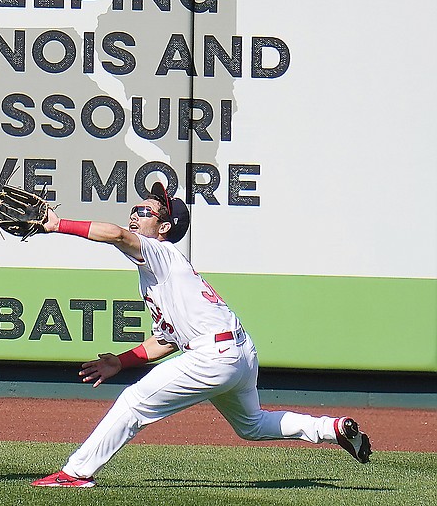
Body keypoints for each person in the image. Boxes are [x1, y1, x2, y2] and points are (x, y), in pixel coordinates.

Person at [31, 182, 372, 488]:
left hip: (213, 355)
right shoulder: (160, 271)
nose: (135, 215)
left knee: (134, 404)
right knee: (251, 425)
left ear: (163, 228)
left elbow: (117, 235)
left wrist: (59, 225)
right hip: (238, 351)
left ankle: (75, 474)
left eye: (145, 211)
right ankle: (333, 429)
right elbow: (165, 340)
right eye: (134, 209)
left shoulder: (159, 251)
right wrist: (120, 362)